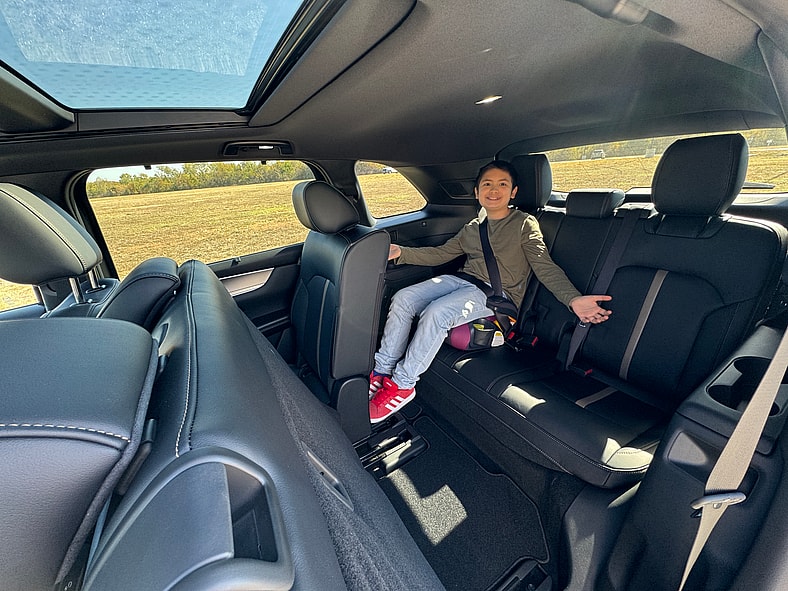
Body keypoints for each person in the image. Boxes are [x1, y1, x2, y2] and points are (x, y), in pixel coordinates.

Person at [367, 159, 612, 423]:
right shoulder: (473, 228)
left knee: (437, 312)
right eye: (487, 184)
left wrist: (572, 299)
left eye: (502, 184)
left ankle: (403, 385)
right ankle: (382, 371)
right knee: (403, 297)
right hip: (464, 281)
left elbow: (544, 265)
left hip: (497, 297)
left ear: (513, 192)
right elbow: (441, 254)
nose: (494, 190)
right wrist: (402, 252)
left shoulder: (523, 224)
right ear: (477, 192)